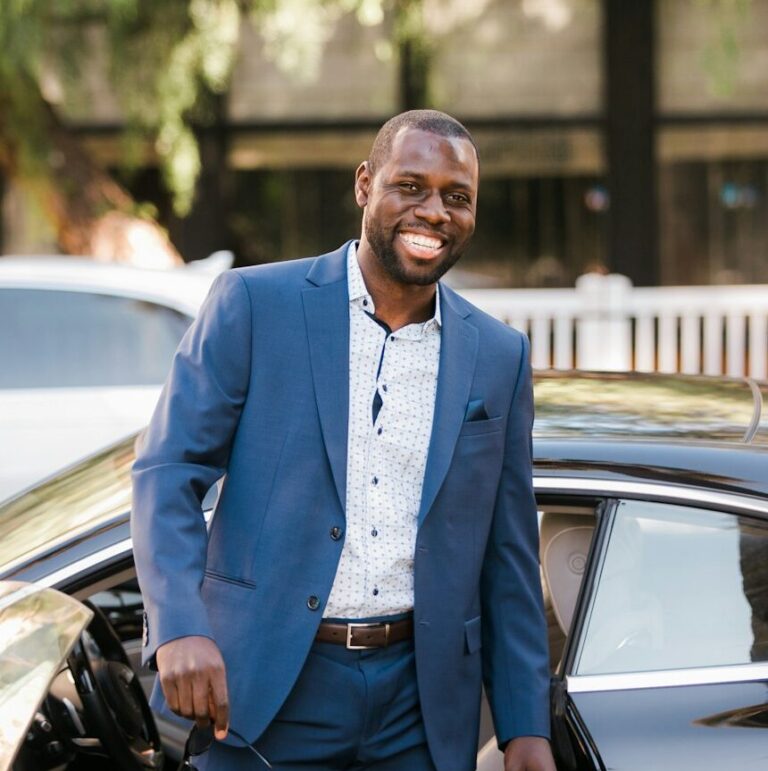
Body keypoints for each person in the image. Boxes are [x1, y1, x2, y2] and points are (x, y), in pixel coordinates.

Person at [132, 109, 555, 771]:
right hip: (268, 686)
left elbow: (509, 555)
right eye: (410, 186)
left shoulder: (498, 355)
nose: (434, 211)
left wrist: (525, 726)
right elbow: (166, 468)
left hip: (420, 703)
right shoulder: (255, 304)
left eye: (457, 197)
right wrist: (180, 624)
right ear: (365, 184)